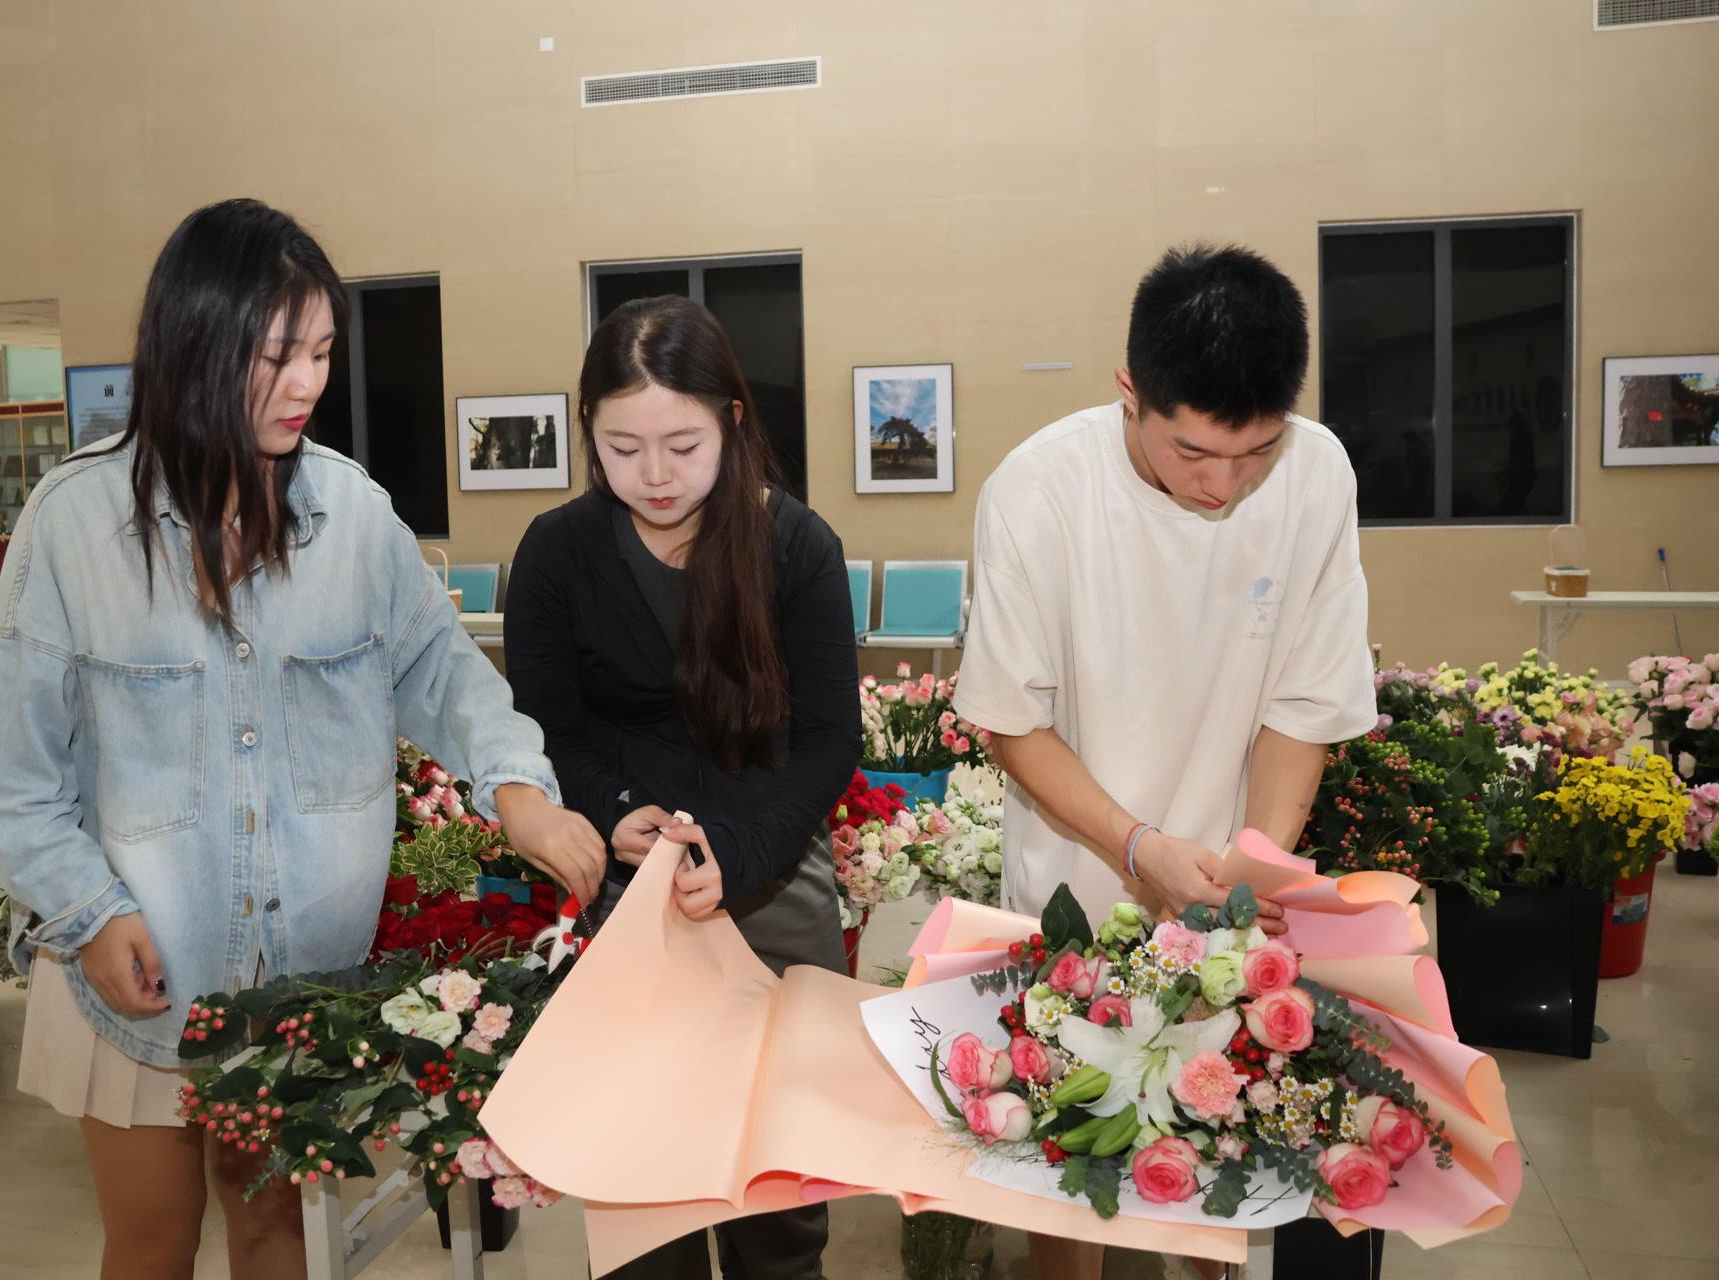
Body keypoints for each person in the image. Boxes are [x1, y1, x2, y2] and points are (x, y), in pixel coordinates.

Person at [0, 198, 604, 1280]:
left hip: (305, 973)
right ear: (195, 344)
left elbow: (445, 673)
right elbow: (12, 780)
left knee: (276, 1237)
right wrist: (88, 912)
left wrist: (518, 790)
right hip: (135, 962)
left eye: (321, 351)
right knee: (152, 1243)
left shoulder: (354, 517)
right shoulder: (74, 524)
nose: (307, 382)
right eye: (276, 356)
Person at [952, 243, 1377, 1280]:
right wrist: (1136, 846)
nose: (1221, 485)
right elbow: (1011, 719)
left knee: (1220, 1158)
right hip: (1076, 878)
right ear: (1129, 392)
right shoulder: (1038, 492)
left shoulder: (1316, 472)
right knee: (1069, 1174)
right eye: (1192, 451)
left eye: (1254, 452)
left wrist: (1252, 870)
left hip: (1228, 894)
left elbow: (1303, 704)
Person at [503, 295, 861, 1279]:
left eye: (683, 445)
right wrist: (615, 811)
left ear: (732, 422)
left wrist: (740, 851)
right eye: (623, 448)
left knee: (779, 1205)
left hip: (771, 880)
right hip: (627, 899)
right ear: (589, 431)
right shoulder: (558, 552)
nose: (654, 476)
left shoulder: (795, 545)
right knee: (643, 1202)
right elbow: (548, 727)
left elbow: (831, 739)